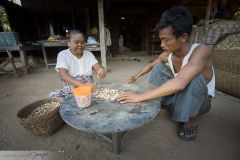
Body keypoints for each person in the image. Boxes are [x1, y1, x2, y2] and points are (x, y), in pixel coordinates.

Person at [118, 6, 215, 141]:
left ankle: (190, 119)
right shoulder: (168, 55)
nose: (162, 45)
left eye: (166, 40)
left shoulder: (202, 51)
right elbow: (151, 65)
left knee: (192, 78)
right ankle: (161, 101)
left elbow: (181, 82)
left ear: (183, 37)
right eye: (161, 39)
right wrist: (135, 77)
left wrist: (140, 97)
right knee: (159, 67)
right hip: (179, 95)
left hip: (200, 103)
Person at [49, 29, 107, 99]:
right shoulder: (63, 55)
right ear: (69, 43)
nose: (80, 45)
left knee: (104, 95)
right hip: (72, 87)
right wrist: (81, 85)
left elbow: (97, 66)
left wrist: (101, 70)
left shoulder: (88, 54)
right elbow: (63, 75)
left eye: (82, 42)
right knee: (53, 97)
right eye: (76, 42)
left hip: (89, 87)